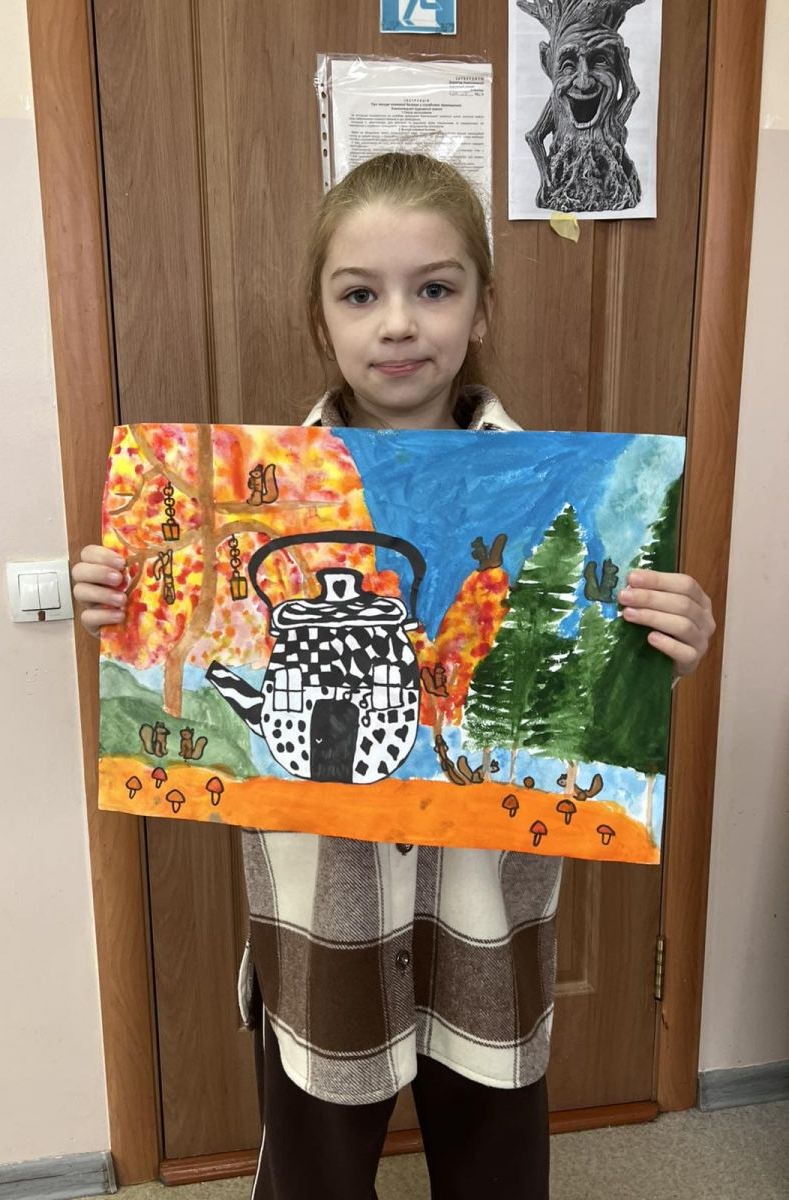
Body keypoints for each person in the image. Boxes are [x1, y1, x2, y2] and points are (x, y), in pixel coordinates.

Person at [72, 153, 715, 1199]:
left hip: (487, 928)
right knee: (313, 1178)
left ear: (482, 308)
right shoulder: (256, 500)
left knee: (497, 1174)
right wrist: (128, 601)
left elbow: (576, 695)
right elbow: (208, 662)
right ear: (320, 319)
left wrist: (662, 646)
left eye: (436, 288)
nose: (400, 323)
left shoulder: (561, 492)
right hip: (323, 925)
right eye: (361, 294)